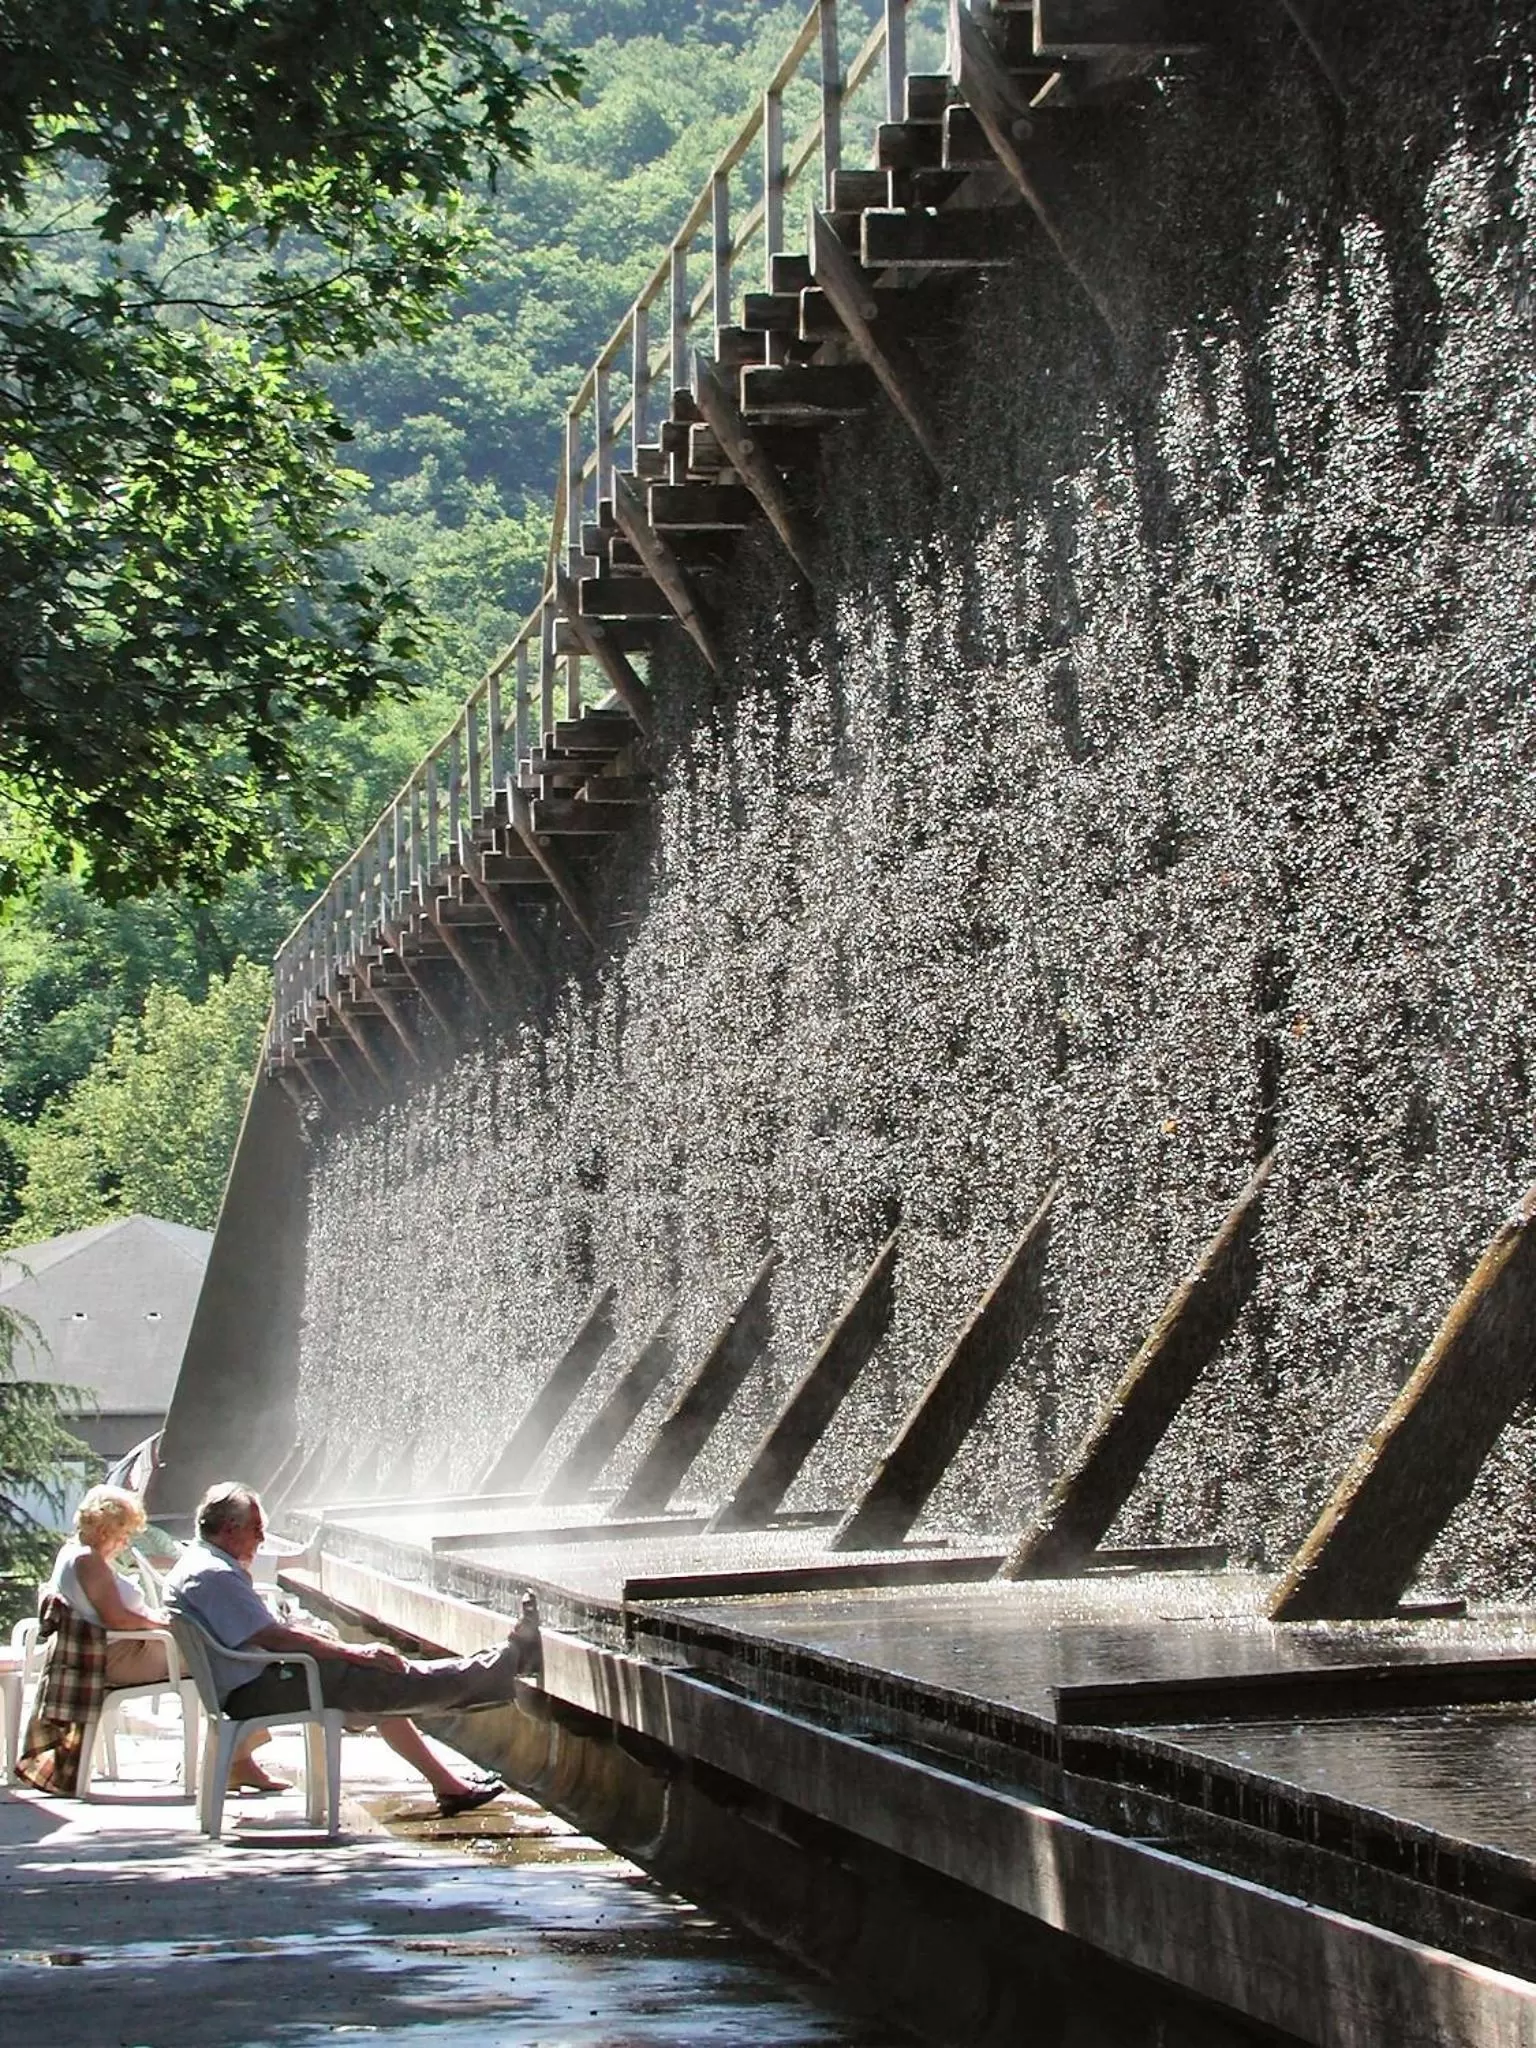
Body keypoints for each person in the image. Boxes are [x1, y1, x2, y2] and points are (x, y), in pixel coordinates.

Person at [164, 1481, 539, 1817]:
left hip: (261, 1679)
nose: (261, 1539)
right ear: (231, 1529)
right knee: (398, 1678)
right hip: (263, 1687)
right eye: (257, 1529)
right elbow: (274, 1638)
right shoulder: (214, 1575)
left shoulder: (201, 1563)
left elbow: (265, 1634)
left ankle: (449, 1785)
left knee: (384, 1684)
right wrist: (353, 1653)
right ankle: (510, 1661)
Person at [17, 1484, 269, 1793]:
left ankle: (232, 1756)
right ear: (105, 1527)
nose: (125, 1542)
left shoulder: (77, 1554)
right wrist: (164, 1623)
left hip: (121, 1649)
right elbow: (117, 1618)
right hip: (121, 1657)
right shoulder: (87, 1561)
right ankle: (233, 1759)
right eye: (123, 1533)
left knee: (224, 1651)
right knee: (224, 1657)